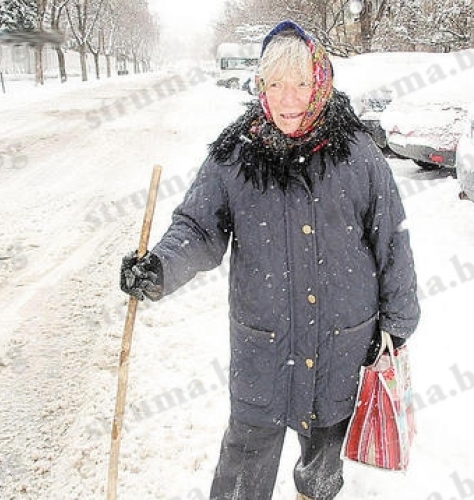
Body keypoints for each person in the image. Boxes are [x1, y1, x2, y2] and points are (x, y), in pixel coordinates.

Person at [120, 20, 421, 500]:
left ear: (319, 81)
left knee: (324, 455)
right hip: (265, 343)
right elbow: (198, 229)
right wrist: (159, 267)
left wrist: (398, 320)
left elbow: (391, 238)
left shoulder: (358, 155)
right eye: (276, 84)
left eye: (301, 83)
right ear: (260, 86)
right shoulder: (234, 157)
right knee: (245, 457)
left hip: (341, 339)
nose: (288, 98)